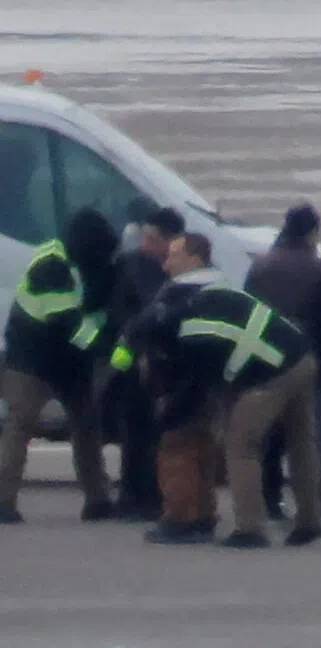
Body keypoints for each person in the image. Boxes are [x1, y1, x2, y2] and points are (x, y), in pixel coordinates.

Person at [121, 254, 321, 549]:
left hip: (270, 374)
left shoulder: (192, 338)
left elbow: (197, 389)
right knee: (301, 442)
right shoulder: (208, 297)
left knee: (241, 444)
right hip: (302, 356)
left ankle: (249, 530)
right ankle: (310, 522)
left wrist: (168, 417)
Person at [0, 208, 120, 524]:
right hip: (31, 359)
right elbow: (68, 324)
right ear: (87, 246)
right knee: (20, 425)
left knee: (87, 427)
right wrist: (105, 350)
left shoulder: (76, 262)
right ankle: (3, 502)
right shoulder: (50, 265)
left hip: (66, 360)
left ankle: (97, 500)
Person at [111, 231, 227, 544]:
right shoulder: (220, 287)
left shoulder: (184, 294)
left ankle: (180, 518)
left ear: (195, 258)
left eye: (174, 256)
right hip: (210, 381)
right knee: (201, 450)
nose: (165, 264)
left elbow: (149, 326)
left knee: (176, 451)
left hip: (182, 381)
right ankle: (202, 516)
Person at [243, 203, 321, 521]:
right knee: (302, 435)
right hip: (303, 356)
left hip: (263, 355)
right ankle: (308, 510)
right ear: (312, 231)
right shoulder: (320, 268)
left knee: (265, 432)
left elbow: (246, 308)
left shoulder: (262, 265)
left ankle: (268, 500)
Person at [107, 205, 186, 520]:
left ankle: (137, 495)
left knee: (140, 431)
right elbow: (148, 312)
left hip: (139, 357)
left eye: (151, 237)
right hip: (139, 358)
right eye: (144, 235)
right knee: (141, 430)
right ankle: (140, 497)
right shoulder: (142, 265)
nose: (144, 242)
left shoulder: (149, 265)